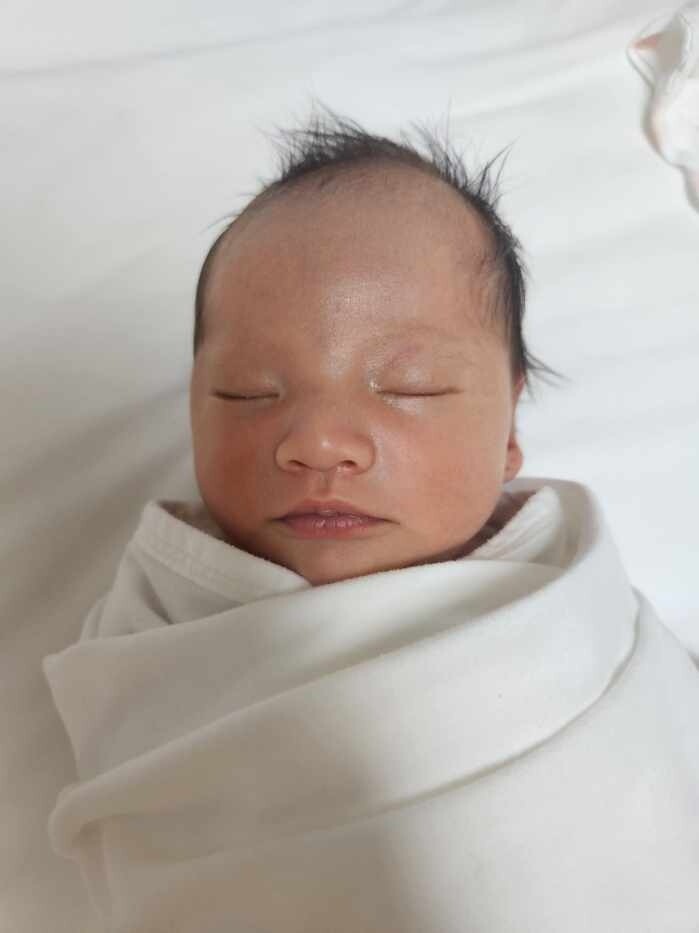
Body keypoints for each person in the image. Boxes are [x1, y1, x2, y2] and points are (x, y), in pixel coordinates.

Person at [42, 103, 699, 933]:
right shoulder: (153, 633)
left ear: (507, 429)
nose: (316, 442)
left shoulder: (570, 620)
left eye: (407, 386)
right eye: (247, 391)